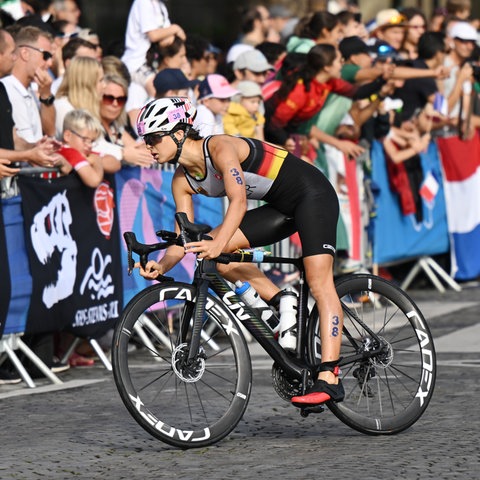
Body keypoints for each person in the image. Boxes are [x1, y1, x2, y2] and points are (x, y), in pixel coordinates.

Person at [135, 96, 345, 406]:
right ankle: (282, 300)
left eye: (154, 137)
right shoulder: (181, 180)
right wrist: (162, 265)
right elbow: (184, 238)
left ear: (179, 132)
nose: (149, 146)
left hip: (312, 195)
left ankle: (330, 375)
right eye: (145, 139)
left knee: (318, 280)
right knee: (215, 257)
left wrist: (216, 243)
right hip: (278, 207)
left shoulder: (220, 147)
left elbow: (239, 201)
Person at [1, 25, 56, 140]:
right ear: (25, 53)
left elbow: (50, 131)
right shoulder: (9, 90)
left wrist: (46, 95)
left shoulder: (28, 89)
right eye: (45, 55)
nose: (50, 63)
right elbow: (26, 146)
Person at [121, 0, 186, 89]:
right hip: (137, 63)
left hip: (151, 62)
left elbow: (166, 40)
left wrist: (171, 33)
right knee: (158, 90)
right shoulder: (143, 2)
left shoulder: (161, 6)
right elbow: (153, 35)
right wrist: (176, 28)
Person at [56, 108, 104, 187]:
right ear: (67, 136)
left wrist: (91, 159)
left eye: (92, 141)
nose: (89, 145)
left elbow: (115, 163)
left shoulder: (84, 152)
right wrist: (97, 162)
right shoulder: (70, 152)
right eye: (84, 139)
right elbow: (94, 181)